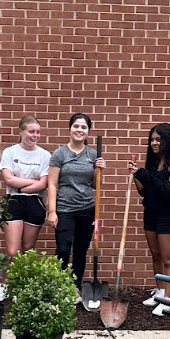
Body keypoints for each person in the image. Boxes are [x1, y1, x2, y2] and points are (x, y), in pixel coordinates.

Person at [47, 113, 106, 306]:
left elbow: (96, 186)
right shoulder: (60, 154)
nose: (79, 130)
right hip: (64, 209)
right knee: (63, 249)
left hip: (87, 209)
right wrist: (52, 211)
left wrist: (100, 170)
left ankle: (75, 288)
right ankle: (61, 286)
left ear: (88, 131)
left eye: (83, 127)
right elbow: (52, 184)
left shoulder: (92, 155)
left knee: (80, 251)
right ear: (70, 128)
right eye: (76, 126)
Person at [130, 123, 170, 316]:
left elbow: (167, 192)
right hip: (151, 213)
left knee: (167, 258)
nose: (154, 143)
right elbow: (144, 191)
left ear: (167, 140)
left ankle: (167, 300)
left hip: (167, 215)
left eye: (158, 139)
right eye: (152, 139)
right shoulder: (154, 162)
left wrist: (145, 176)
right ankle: (160, 291)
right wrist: (136, 175)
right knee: (155, 254)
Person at [0, 116, 51, 301]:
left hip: (35, 203)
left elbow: (43, 184)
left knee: (28, 248)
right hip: (14, 201)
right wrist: (28, 184)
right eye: (31, 131)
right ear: (21, 132)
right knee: (12, 250)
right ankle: (5, 285)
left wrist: (23, 184)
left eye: (38, 132)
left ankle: (22, 285)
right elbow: (8, 179)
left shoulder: (44, 155)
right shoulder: (10, 152)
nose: (35, 135)